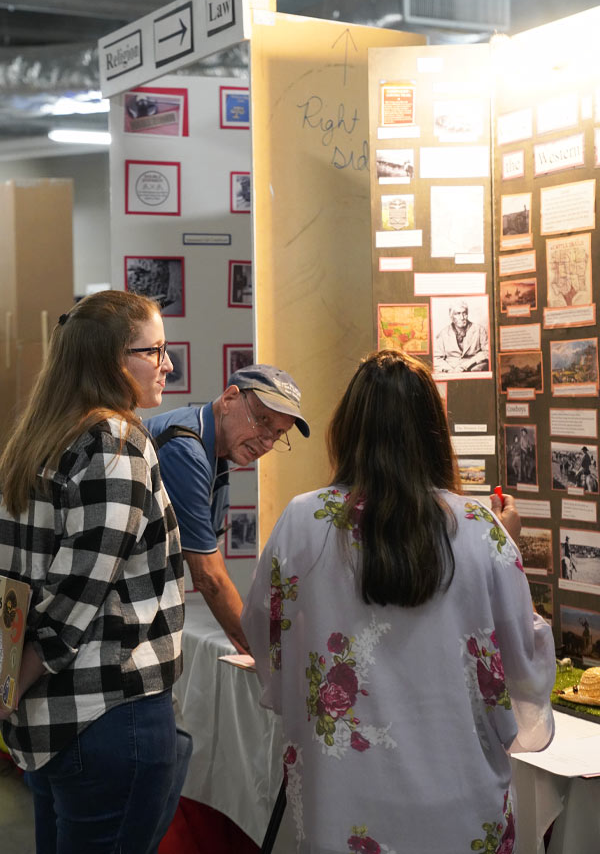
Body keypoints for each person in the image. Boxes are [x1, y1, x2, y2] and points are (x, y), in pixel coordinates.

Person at [242, 350, 555, 854]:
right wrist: (504, 544)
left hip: (340, 803)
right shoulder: (480, 530)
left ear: (346, 428)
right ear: (434, 432)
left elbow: (264, 632)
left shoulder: (303, 522)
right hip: (461, 799)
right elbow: (523, 663)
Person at [0, 290, 185, 854]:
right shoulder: (115, 441)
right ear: (111, 359)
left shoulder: (38, 439)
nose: (167, 365)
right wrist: (9, 689)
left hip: (54, 719)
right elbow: (73, 599)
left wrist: (11, 689)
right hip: (106, 712)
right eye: (155, 351)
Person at [145, 363, 309, 656]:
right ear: (229, 399)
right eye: (261, 420)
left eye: (278, 433)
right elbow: (209, 577)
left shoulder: (216, 450)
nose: (267, 441)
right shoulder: (186, 448)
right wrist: (266, 653)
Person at [434, 299, 489, 373]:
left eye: (464, 313)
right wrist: (450, 370)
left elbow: (487, 352)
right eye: (458, 314)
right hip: (451, 370)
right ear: (451, 316)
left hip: (473, 367)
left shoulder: (479, 330)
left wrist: (466, 365)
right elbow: (436, 358)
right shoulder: (443, 334)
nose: (462, 317)